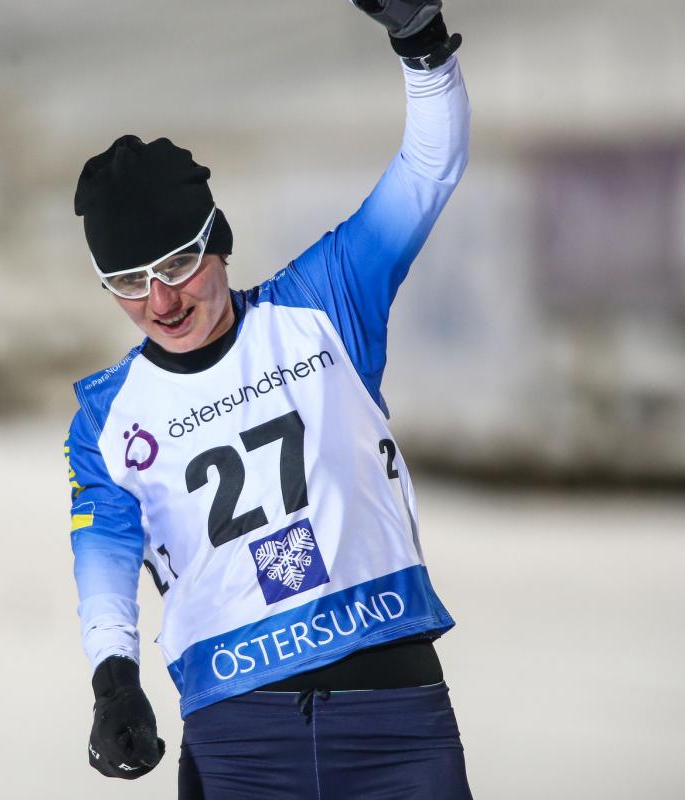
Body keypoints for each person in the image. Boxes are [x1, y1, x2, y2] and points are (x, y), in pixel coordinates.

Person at [63, 1, 472, 796]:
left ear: (218, 240)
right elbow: (103, 559)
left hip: (392, 715)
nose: (161, 301)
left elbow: (428, 170)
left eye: (178, 264)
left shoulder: (323, 304)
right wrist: (114, 681)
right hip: (241, 737)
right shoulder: (105, 418)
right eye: (127, 282)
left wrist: (421, 44)